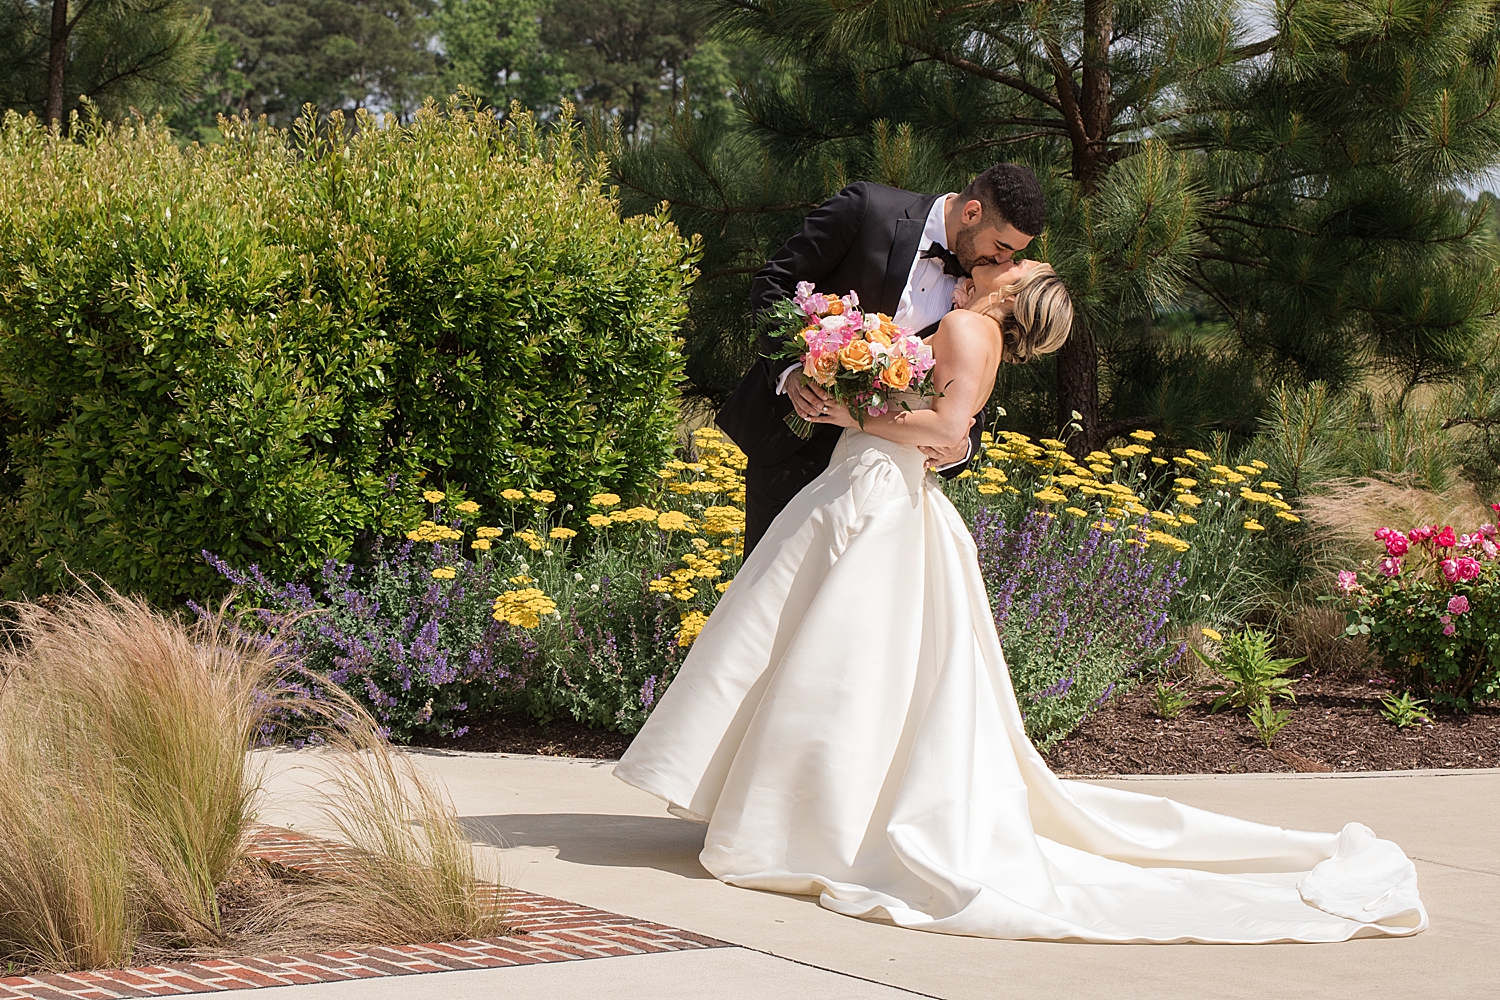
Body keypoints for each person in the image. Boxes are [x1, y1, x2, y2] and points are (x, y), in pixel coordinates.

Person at [614, 261, 1427, 944]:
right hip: (874, 482)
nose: (996, 261)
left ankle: (799, 819)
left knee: (835, 660)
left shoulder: (971, 329)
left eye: (1014, 263)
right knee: (829, 657)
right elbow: (948, 434)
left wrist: (853, 409)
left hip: (876, 489)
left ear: (1017, 290)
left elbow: (947, 427)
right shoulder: (975, 327)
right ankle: (795, 812)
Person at [716, 164, 1046, 555]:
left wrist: (962, 447)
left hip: (880, 477)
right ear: (972, 213)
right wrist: (789, 372)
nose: (1002, 259)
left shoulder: (978, 293)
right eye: (1002, 246)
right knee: (772, 595)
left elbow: (963, 383)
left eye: (1012, 254)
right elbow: (774, 283)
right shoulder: (868, 208)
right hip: (795, 443)